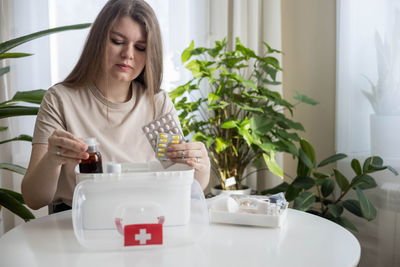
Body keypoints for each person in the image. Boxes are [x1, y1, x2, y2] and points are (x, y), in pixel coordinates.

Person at [21, 0, 210, 213]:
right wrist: (52, 160)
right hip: (77, 221)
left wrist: (201, 167)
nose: (128, 54)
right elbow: (33, 198)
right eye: (117, 41)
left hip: (142, 217)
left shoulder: (157, 103)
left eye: (140, 47)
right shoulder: (60, 99)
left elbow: (186, 183)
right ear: (98, 41)